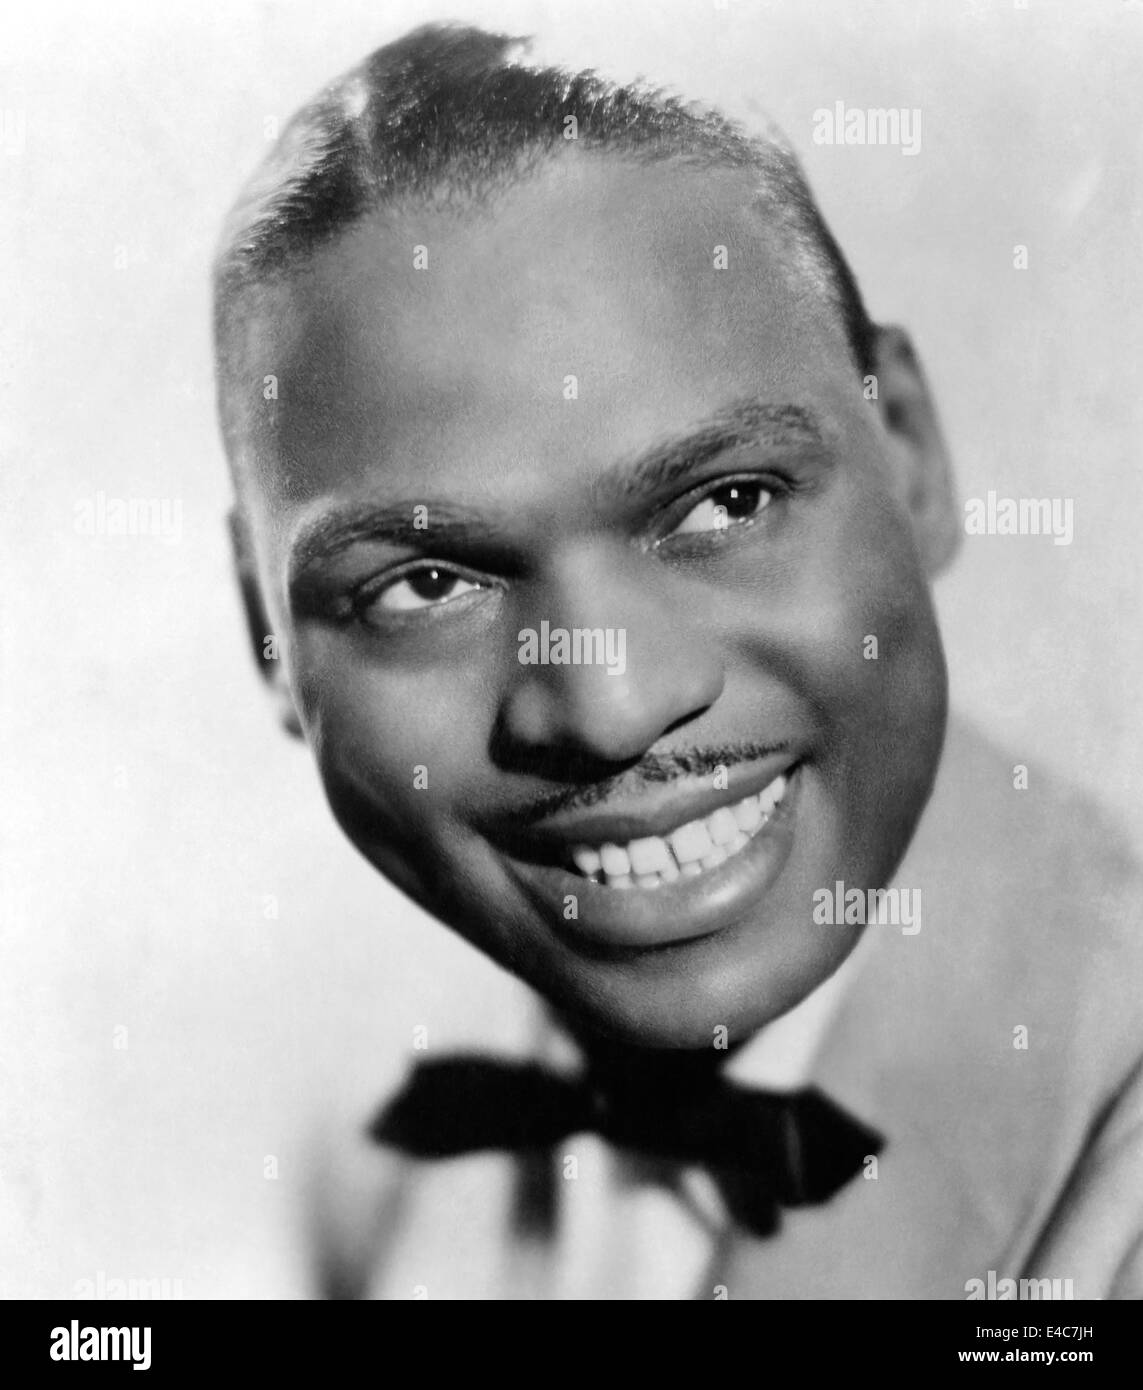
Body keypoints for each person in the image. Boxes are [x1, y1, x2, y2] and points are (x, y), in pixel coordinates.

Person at [213, 23, 1143, 1299]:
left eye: (728, 502)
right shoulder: (362, 1147)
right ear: (264, 631)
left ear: (914, 455)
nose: (611, 704)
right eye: (427, 583)